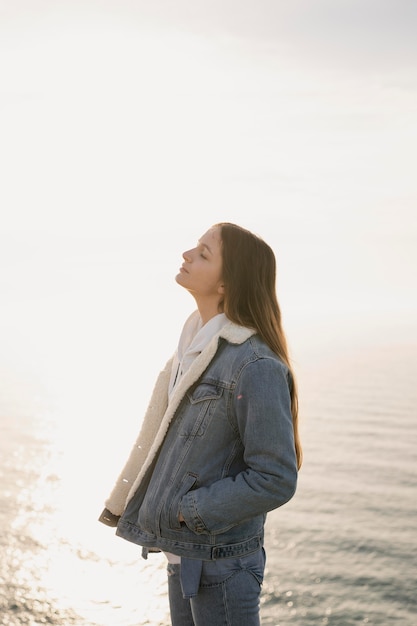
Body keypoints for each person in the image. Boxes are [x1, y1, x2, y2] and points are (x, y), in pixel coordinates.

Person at [99, 222, 302, 626]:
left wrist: (184, 509)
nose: (187, 255)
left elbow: (276, 476)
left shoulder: (254, 365)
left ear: (227, 283)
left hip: (222, 562)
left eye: (204, 253)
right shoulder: (190, 352)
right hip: (184, 553)